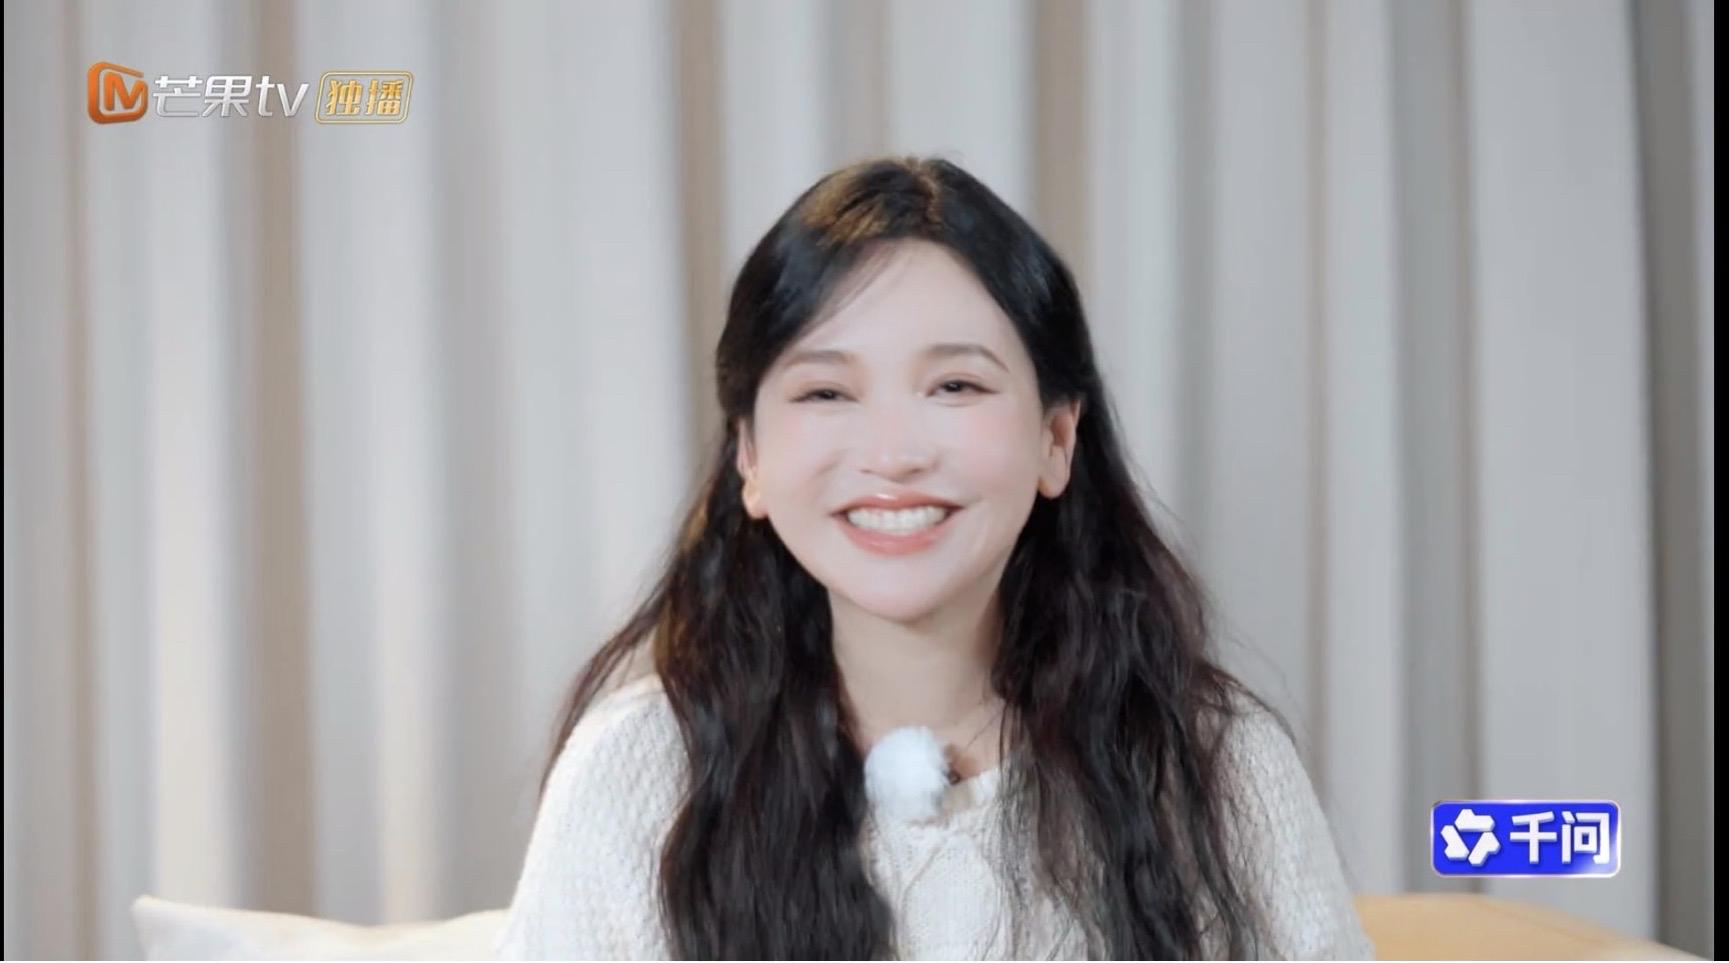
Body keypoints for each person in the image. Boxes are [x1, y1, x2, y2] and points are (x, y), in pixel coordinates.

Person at [494, 156, 1375, 960]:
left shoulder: (1215, 765)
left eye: (954, 385)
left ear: (1055, 438)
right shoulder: (642, 773)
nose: (893, 454)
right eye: (826, 391)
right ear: (750, 457)